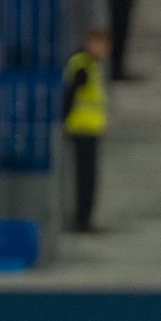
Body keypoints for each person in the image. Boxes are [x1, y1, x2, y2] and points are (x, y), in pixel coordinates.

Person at [60, 26, 109, 233]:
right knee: (85, 179)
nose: (104, 49)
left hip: (90, 129)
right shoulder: (82, 65)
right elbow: (69, 96)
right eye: (101, 44)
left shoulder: (89, 64)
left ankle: (84, 219)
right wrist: (64, 123)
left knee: (88, 178)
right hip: (82, 129)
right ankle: (82, 221)